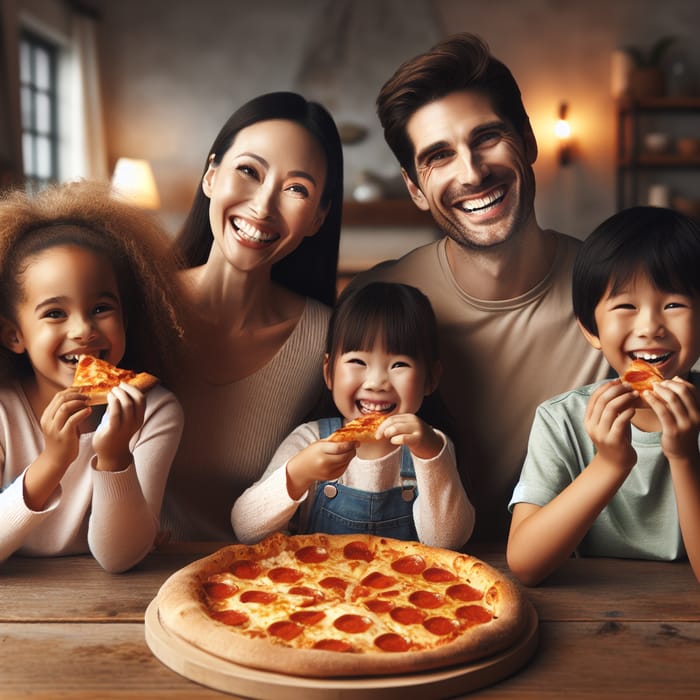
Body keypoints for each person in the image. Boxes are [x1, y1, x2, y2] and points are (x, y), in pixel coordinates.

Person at [347, 33, 610, 541]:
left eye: (487, 137)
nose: (472, 172)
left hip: (581, 581)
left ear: (528, 141)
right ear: (414, 189)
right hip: (405, 578)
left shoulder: (613, 293)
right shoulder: (376, 298)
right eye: (439, 156)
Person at [161, 92, 344, 541]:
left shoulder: (325, 341)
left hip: (259, 589)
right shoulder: (135, 306)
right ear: (210, 176)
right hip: (112, 584)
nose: (263, 206)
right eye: (248, 171)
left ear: (318, 217)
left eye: (296, 188)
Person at [507, 206, 700, 585]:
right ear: (591, 329)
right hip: (587, 607)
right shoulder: (561, 419)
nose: (650, 327)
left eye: (674, 304)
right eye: (626, 306)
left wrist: (683, 455)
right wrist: (610, 463)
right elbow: (526, 564)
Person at [0, 180, 184, 572]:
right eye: (55, 313)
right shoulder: (2, 411)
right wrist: (52, 460)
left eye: (101, 307)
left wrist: (116, 456)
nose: (83, 329)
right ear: (14, 335)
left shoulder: (155, 411)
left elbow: (121, 557)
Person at [231, 282, 474, 550]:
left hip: (404, 587)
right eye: (358, 362)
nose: (376, 382)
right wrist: (299, 473)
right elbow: (245, 529)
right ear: (328, 372)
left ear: (430, 379)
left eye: (399, 365)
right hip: (311, 585)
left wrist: (430, 454)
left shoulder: (432, 445)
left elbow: (447, 542)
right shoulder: (310, 439)